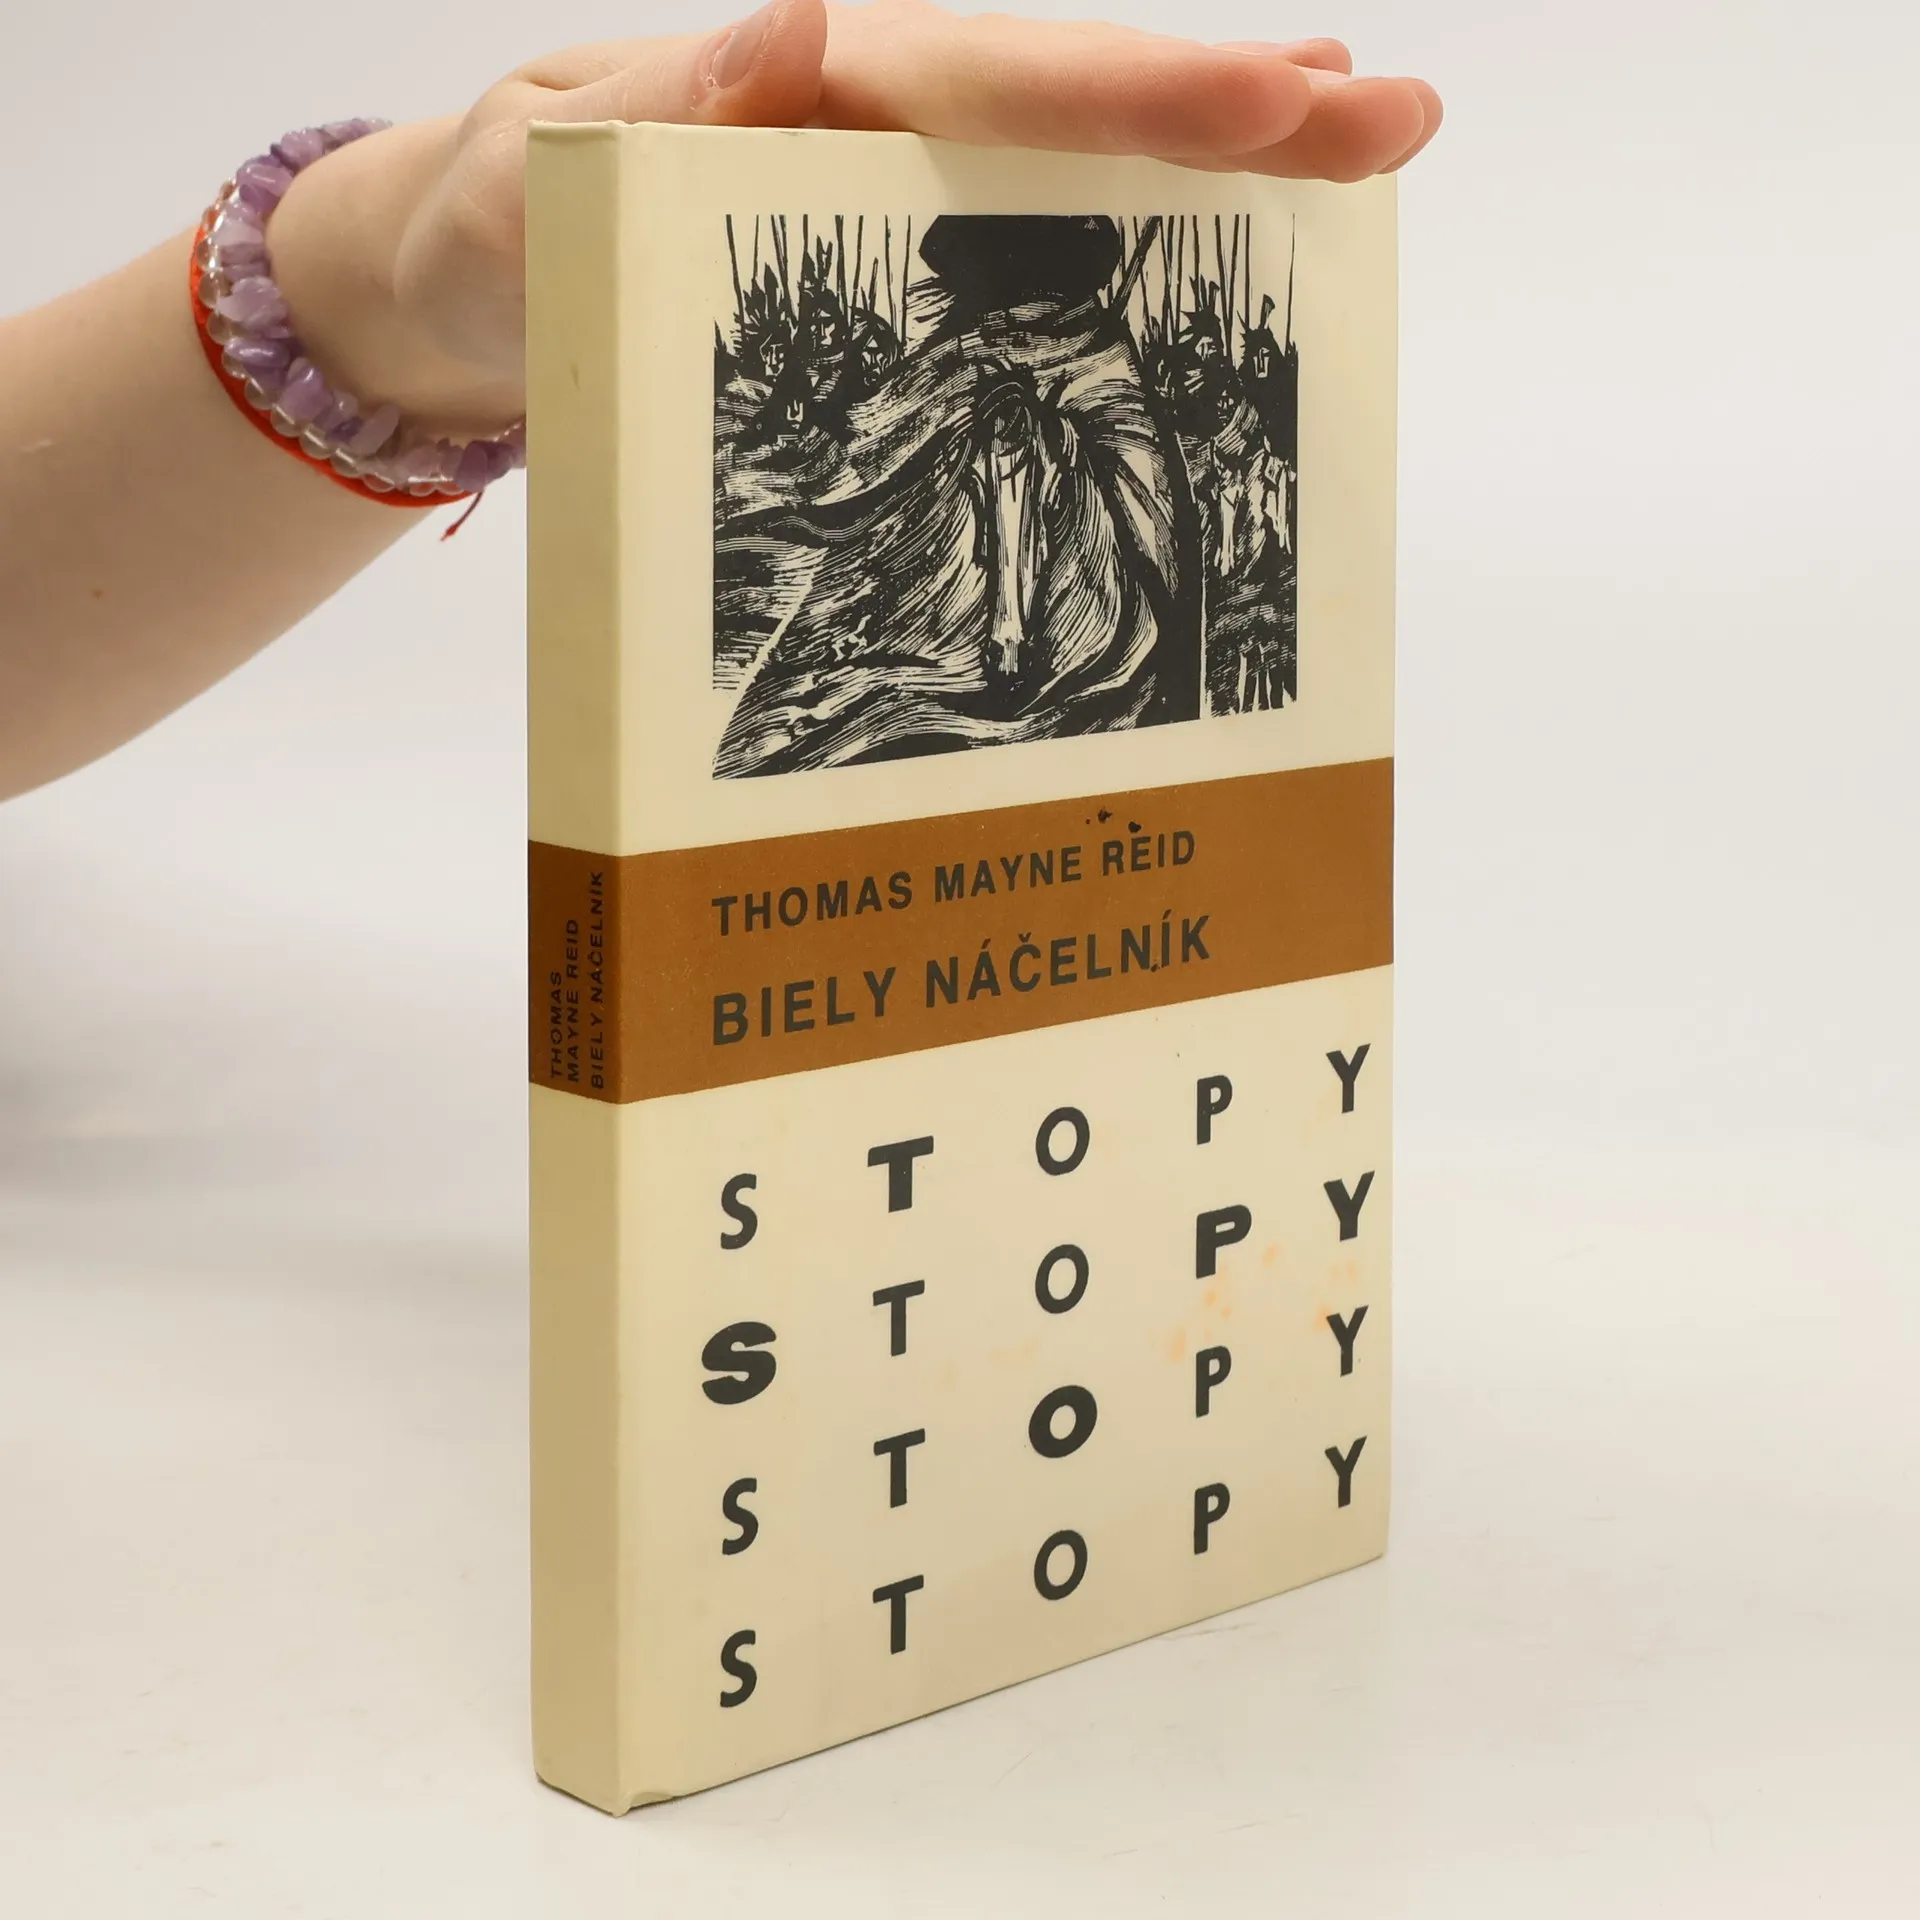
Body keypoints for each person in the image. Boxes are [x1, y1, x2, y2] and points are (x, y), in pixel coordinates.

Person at [0, 0, 1440, 803]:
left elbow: (1128, 523)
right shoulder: (978, 380)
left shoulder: (1085, 392)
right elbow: (879, 470)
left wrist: (391, 279)